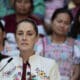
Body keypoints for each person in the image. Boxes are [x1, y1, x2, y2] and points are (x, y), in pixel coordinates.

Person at [35, 8, 80, 80]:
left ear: (70, 26)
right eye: (59, 21)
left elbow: (77, 70)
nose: (62, 25)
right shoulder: (40, 43)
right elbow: (36, 68)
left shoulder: (76, 45)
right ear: (52, 22)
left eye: (66, 23)